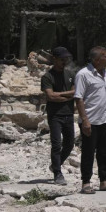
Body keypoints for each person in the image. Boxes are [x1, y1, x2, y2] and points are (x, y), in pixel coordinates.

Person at [74, 46, 106, 195]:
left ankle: (104, 182)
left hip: (105, 118)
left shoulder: (105, 73)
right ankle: (85, 183)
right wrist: (85, 120)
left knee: (105, 151)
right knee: (88, 152)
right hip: (90, 120)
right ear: (96, 59)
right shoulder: (83, 74)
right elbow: (78, 98)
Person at [42, 47, 76, 185]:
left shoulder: (70, 74)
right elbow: (50, 96)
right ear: (54, 59)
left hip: (68, 113)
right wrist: (66, 95)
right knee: (56, 144)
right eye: (62, 59)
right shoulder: (47, 76)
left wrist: (59, 96)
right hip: (55, 115)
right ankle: (57, 173)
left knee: (69, 143)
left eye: (66, 59)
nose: (65, 61)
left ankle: (56, 164)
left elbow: (75, 92)